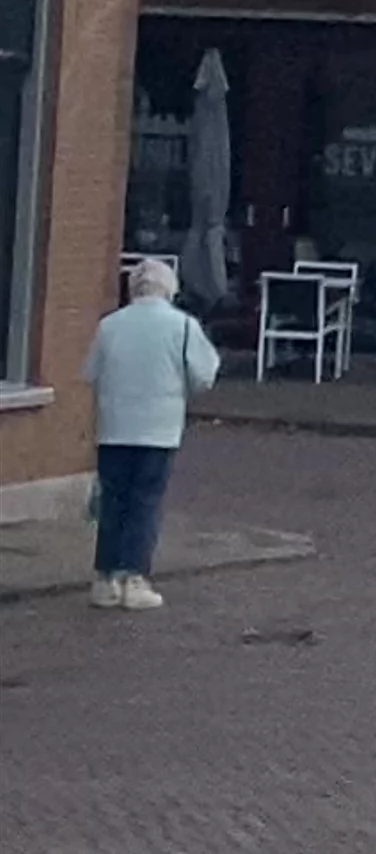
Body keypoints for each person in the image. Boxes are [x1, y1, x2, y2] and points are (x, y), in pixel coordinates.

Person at [85, 245, 222, 608]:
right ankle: (134, 577)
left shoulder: (109, 325)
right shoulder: (183, 326)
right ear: (169, 289)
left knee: (113, 502)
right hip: (158, 429)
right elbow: (204, 375)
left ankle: (105, 578)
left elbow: (90, 373)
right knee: (145, 501)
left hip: (114, 427)